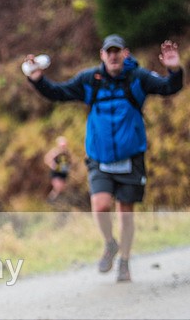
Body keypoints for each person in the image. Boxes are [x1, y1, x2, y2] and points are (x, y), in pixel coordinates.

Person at [24, 35, 183, 282]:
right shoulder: (90, 80)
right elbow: (58, 93)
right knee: (100, 205)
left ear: (125, 53)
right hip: (99, 157)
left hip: (131, 157)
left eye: (117, 51)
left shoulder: (138, 78)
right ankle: (110, 243)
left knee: (125, 212)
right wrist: (37, 80)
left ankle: (125, 261)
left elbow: (169, 87)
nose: (113, 56)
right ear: (102, 55)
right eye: (108, 52)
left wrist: (174, 70)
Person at [43, 136, 71, 201]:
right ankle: (50, 200)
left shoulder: (67, 152)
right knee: (57, 186)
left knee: (62, 188)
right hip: (56, 172)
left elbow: (70, 161)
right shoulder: (55, 152)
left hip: (63, 172)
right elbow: (46, 159)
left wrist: (69, 167)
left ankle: (57, 202)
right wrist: (52, 165)